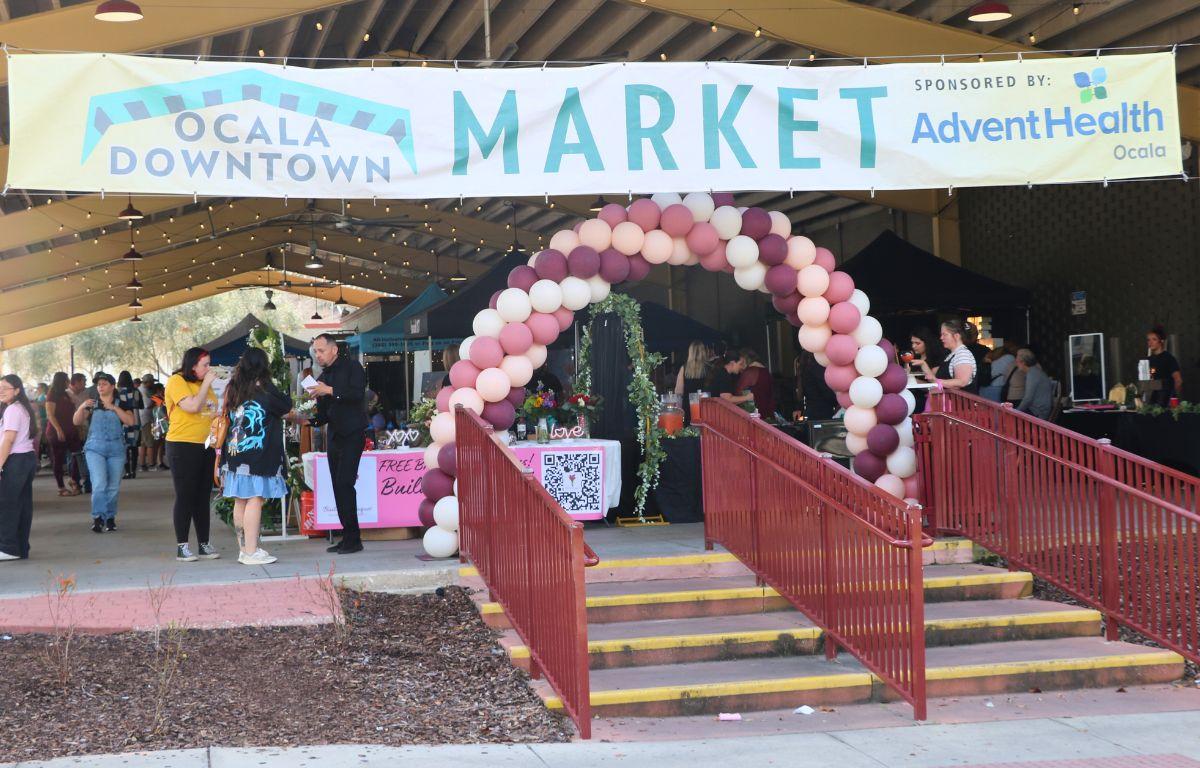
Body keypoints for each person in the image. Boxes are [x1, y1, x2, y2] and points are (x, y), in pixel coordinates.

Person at [219, 348, 292, 566]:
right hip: (259, 456)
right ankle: (251, 551)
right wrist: (268, 384)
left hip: (234, 453)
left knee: (241, 500)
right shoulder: (264, 391)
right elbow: (286, 405)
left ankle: (244, 549)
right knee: (255, 498)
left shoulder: (233, 388)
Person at [310, 334, 367, 555]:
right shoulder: (323, 376)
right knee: (337, 486)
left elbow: (356, 394)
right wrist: (308, 416)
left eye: (321, 350)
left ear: (333, 350)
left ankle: (354, 539)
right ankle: (347, 536)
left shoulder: (353, 367)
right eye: (315, 351)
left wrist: (329, 391)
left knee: (345, 483)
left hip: (353, 433)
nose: (318, 355)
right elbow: (324, 413)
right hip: (334, 435)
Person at [164, 347, 221, 562]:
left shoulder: (202, 384)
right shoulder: (177, 381)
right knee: (185, 494)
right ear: (193, 365)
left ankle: (204, 543)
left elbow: (208, 410)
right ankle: (182, 545)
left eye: (209, 364)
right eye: (205, 365)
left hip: (205, 445)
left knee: (202, 496)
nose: (209, 369)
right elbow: (192, 406)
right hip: (182, 445)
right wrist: (207, 383)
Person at [74, 372, 137, 533]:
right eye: (98, 385)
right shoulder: (92, 403)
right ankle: (97, 517)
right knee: (99, 484)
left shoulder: (121, 402)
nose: (100, 387)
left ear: (112, 386)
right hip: (95, 448)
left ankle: (110, 517)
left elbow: (130, 421)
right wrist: (82, 406)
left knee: (113, 486)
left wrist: (114, 408)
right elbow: (77, 421)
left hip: (116, 448)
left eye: (103, 384)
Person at [0, 375, 38, 561]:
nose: (1, 391)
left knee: (8, 505)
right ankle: (21, 547)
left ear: (17, 390)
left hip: (16, 460)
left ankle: (8, 547)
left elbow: (8, 439)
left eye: (5, 388)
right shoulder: (20, 408)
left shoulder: (12, 410)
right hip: (25, 460)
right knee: (22, 505)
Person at [44, 372, 82, 497]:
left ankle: (74, 480)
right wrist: (59, 429)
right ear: (62, 381)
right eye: (67, 380)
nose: (68, 382)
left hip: (71, 431)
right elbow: (50, 414)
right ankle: (61, 487)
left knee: (77, 455)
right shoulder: (52, 394)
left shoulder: (66, 394)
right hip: (56, 432)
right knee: (58, 459)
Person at [914, 320, 978, 393]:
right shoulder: (952, 355)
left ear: (956, 336)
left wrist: (936, 381)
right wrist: (923, 364)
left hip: (960, 404)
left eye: (945, 334)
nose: (941, 338)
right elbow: (935, 382)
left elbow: (961, 382)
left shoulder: (963, 355)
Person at [795, 350, 837, 421]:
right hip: (821, 414)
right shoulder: (816, 368)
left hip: (811, 412)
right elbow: (826, 391)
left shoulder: (804, 368)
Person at [116, 371, 143, 480]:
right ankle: (133, 471)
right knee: (135, 446)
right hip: (136, 420)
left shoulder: (118, 392)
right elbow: (141, 405)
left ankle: (127, 472)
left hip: (123, 421)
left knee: (125, 447)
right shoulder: (136, 391)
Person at [1146, 325, 1182, 407]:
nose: (1150, 342)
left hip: (1167, 401)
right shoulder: (1148, 360)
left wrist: (1173, 399)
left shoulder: (1168, 358)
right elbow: (1150, 378)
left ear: (1161, 341)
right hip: (1152, 401)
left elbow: (1178, 380)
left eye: (1154, 339)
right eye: (1148, 340)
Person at [1014, 349, 1053, 420]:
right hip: (1039, 409)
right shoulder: (1034, 371)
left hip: (1038, 412)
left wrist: (1016, 412)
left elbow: (1028, 399)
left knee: (1012, 418)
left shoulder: (1032, 374)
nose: (1016, 363)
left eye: (1017, 361)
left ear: (1023, 362)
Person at [737, 348, 776, 419]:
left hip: (756, 417)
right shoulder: (765, 371)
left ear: (744, 359)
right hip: (768, 414)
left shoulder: (750, 372)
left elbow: (739, 393)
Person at [137, 374, 155, 472]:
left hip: (141, 419)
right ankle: (151, 463)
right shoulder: (145, 391)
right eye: (152, 382)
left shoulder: (140, 389)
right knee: (149, 443)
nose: (153, 384)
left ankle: (142, 464)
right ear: (147, 382)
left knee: (142, 443)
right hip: (146, 419)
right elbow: (148, 405)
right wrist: (156, 400)